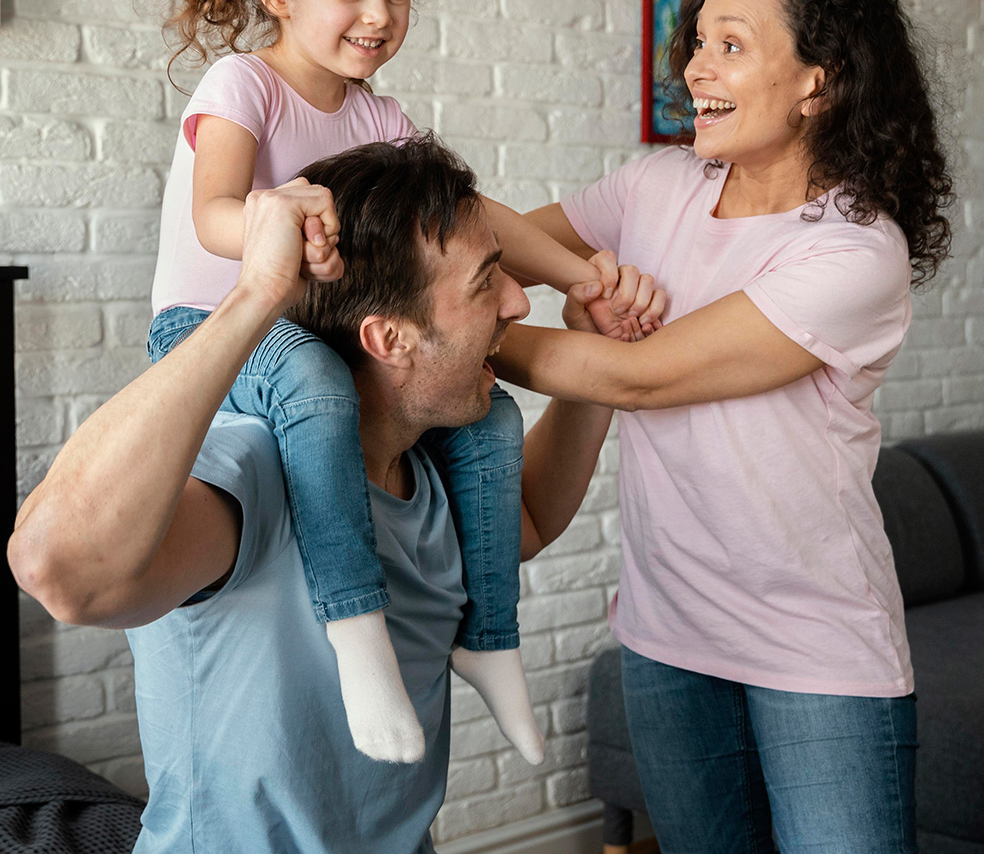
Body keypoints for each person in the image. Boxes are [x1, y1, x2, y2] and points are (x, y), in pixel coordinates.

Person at [9, 137, 649, 854]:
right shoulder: (251, 472)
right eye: (486, 281)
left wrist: (602, 370)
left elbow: (524, 522)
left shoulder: (425, 467)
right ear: (389, 337)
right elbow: (55, 569)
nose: (518, 301)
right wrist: (255, 296)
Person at [151, 0, 640, 765]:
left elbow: (476, 215)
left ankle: (487, 636)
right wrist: (277, 218)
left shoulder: (381, 114)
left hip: (316, 326)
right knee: (314, 382)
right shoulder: (243, 85)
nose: (380, 14)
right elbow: (213, 213)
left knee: (490, 415)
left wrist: (586, 273)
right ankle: (356, 628)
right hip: (211, 323)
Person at [494, 0, 954, 853]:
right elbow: (487, 237)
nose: (696, 67)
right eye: (697, 41)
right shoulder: (655, 185)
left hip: (816, 650)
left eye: (731, 45)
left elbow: (637, 376)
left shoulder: (855, 248)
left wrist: (463, 341)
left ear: (817, 81)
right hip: (667, 636)